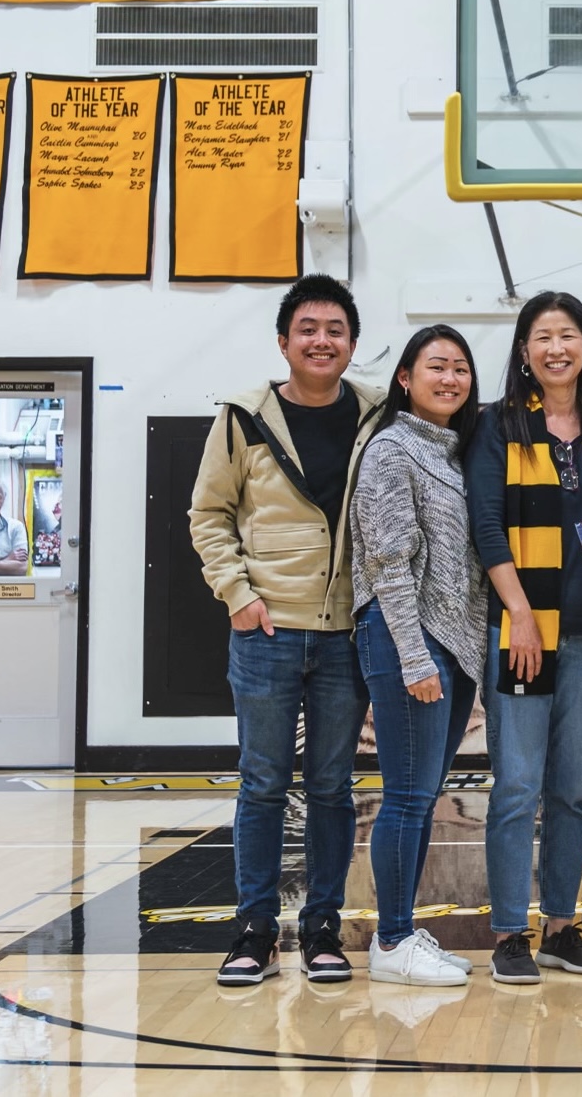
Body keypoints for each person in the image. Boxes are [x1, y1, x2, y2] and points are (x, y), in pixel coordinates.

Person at [190, 274, 381, 988]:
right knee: (263, 784)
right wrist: (238, 596)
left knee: (333, 787)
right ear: (283, 341)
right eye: (307, 328)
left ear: (352, 343)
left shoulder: (377, 413)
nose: (321, 339)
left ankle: (323, 926)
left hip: (344, 636)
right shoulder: (243, 417)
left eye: (334, 329)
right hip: (266, 630)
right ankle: (254, 928)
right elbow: (207, 514)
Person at [465, 291, 582, 985]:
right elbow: (487, 523)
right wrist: (518, 612)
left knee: (571, 789)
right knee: (516, 786)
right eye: (540, 335)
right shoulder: (498, 425)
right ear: (524, 352)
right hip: (524, 630)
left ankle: (559, 925)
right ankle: (508, 933)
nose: (555, 347)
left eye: (567, 333)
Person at [352, 325, 485, 987]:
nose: (450, 378)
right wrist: (412, 655)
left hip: (451, 644)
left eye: (460, 367)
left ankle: (402, 926)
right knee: (405, 797)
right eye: (436, 366)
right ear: (405, 377)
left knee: (422, 793)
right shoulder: (391, 448)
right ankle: (391, 939)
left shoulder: (461, 451)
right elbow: (388, 563)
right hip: (408, 636)